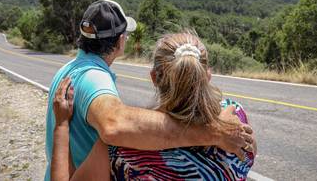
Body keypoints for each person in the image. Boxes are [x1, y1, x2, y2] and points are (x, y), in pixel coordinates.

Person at [51, 32, 256, 180]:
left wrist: (61, 126)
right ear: (207, 76)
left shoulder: (119, 149)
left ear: (154, 78)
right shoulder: (235, 119)